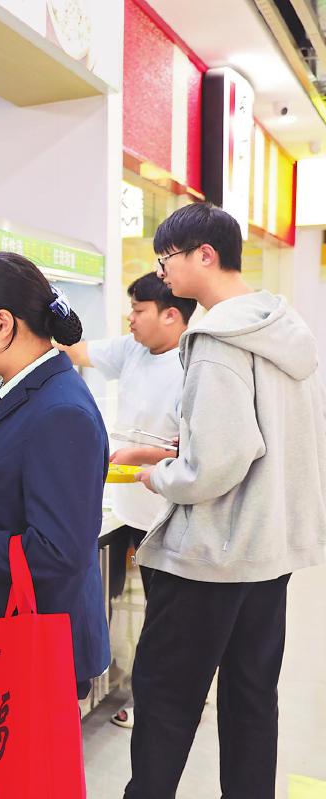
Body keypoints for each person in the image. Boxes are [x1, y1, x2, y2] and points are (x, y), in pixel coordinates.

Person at [126, 203, 326, 799]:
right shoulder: (283, 328)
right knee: (251, 700)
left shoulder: (216, 340)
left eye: (167, 259)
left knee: (165, 699)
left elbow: (216, 465)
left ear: (205, 255)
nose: (162, 273)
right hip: (268, 550)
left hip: (211, 555)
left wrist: (163, 476)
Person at [0, 251, 111, 701]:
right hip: (13, 640)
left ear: (3, 324)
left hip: (35, 648)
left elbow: (57, 550)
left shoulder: (60, 411)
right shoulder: (28, 392)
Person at [59, 273, 195, 728]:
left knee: (167, 621)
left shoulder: (193, 366)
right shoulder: (134, 349)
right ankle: (158, 694)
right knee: (142, 613)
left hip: (169, 517)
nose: (130, 319)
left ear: (170, 315)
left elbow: (194, 452)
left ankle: (164, 705)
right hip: (128, 512)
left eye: (138, 311)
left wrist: (139, 454)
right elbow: (76, 352)